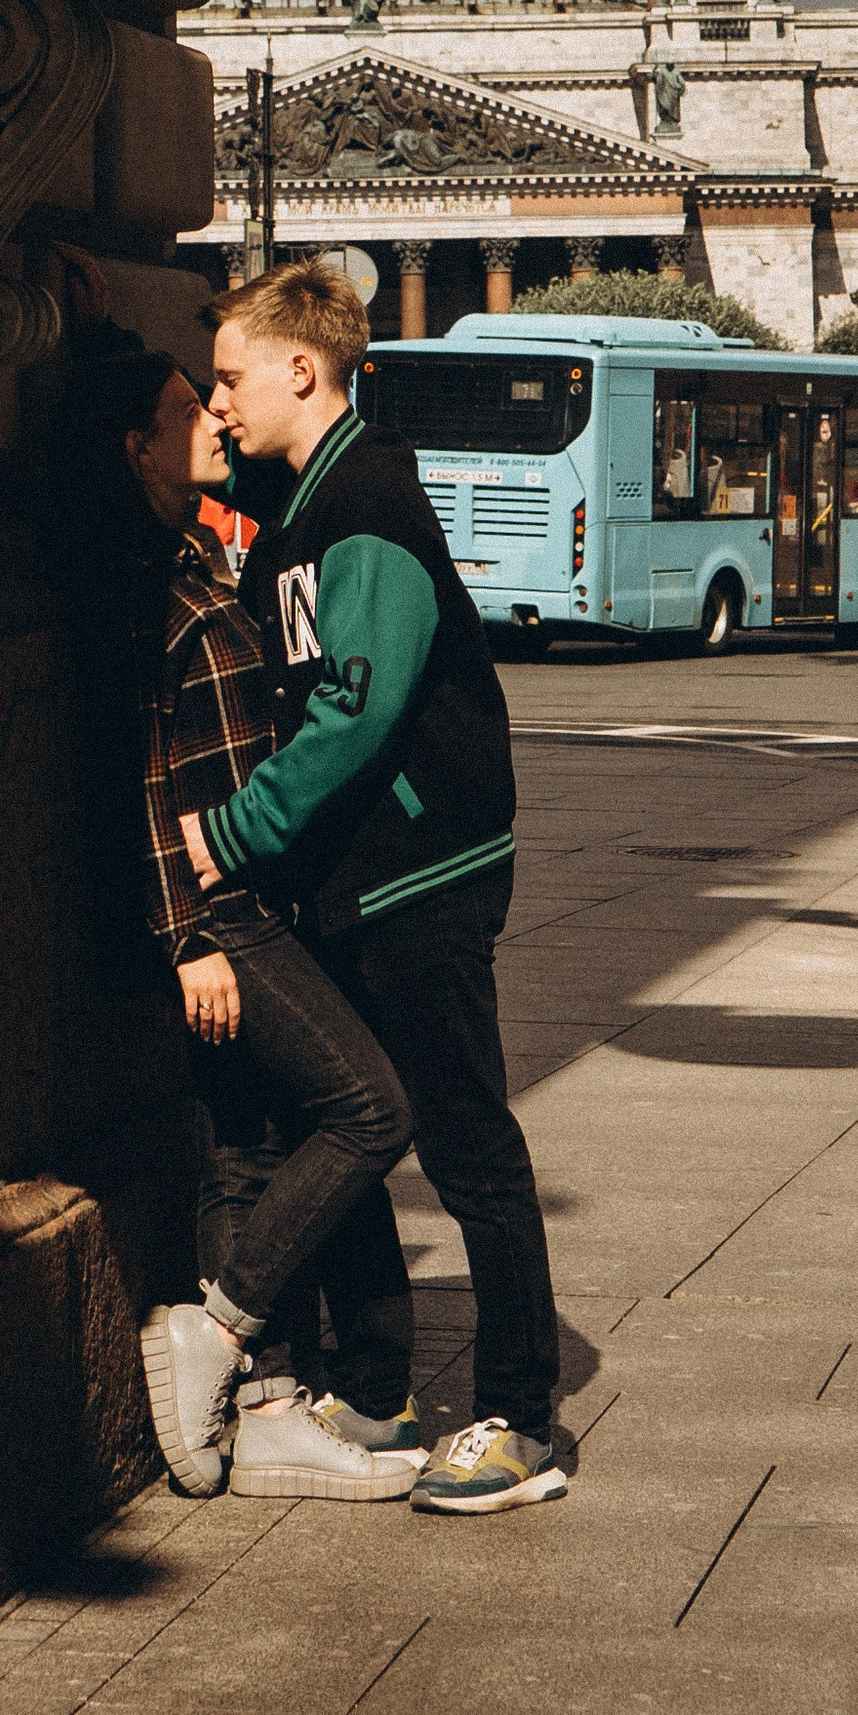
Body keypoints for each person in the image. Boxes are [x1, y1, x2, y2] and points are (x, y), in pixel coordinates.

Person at [183, 260, 569, 1516]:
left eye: (230, 378)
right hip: (355, 880)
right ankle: (373, 1391)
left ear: (302, 371)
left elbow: (354, 716)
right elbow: (209, 466)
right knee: (346, 1122)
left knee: (466, 1147)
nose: (217, 404)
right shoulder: (305, 497)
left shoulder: (366, 507)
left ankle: (522, 1421)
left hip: (423, 874)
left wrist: (234, 833)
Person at [61, 339, 422, 1507]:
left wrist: (86, 308)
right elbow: (129, 779)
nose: (216, 417)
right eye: (188, 407)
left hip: (250, 895)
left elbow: (289, 450)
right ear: (136, 447)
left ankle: (262, 1413)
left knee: (243, 1143)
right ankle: (215, 1331)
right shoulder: (136, 582)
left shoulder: (192, 547)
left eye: (220, 393)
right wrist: (187, 938)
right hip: (216, 909)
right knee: (371, 1109)